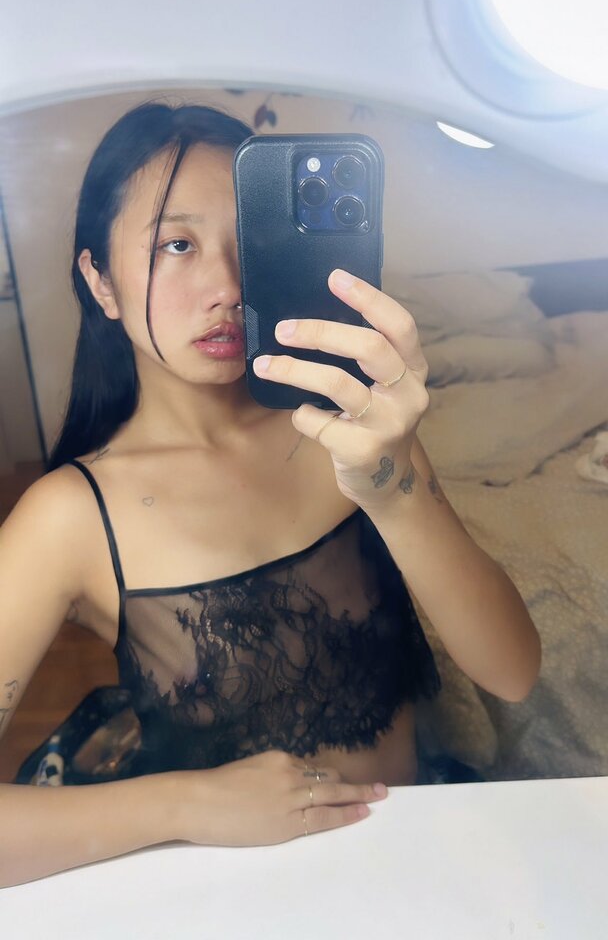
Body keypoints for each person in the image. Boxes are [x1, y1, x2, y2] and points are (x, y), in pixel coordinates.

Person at [0, 102, 541, 887]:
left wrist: (394, 489)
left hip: (413, 857)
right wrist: (184, 804)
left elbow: (512, 672)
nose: (227, 286)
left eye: (248, 241)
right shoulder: (70, 517)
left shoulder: (347, 427)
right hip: (231, 894)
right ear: (100, 282)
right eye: (177, 245)